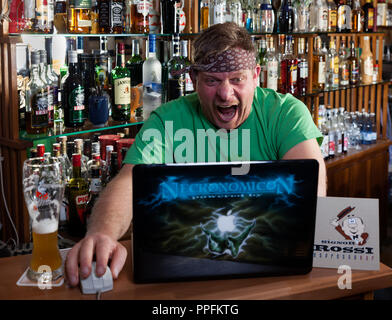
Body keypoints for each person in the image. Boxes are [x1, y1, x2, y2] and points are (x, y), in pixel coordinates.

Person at [65, 22, 327, 286]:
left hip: (270, 272)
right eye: (212, 81)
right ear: (193, 80)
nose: (226, 94)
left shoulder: (285, 113)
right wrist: (103, 234)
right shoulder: (167, 119)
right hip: (182, 270)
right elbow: (129, 181)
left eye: (237, 79)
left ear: (256, 75)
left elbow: (311, 195)